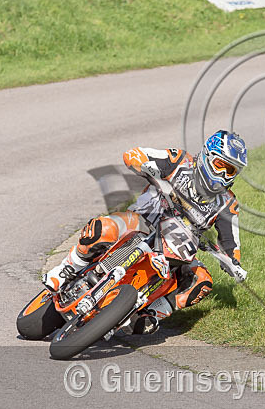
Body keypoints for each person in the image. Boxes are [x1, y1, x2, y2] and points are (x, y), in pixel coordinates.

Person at [42, 130, 247, 323]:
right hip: (141, 221)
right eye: (221, 165)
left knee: (202, 281)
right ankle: (66, 269)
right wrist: (145, 166)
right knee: (102, 228)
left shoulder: (228, 204)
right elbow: (135, 154)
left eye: (231, 170)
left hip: (177, 249)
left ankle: (151, 315)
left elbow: (231, 242)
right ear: (207, 156)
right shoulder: (179, 160)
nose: (225, 174)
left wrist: (234, 264)